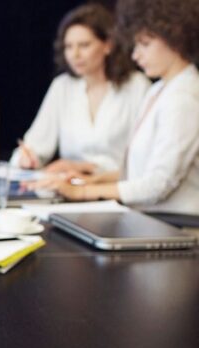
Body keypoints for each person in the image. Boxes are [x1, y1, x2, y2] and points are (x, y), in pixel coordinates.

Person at [41, 0, 199, 213]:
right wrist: (91, 181)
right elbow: (139, 174)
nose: (136, 55)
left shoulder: (184, 97)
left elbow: (158, 184)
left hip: (177, 225)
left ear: (175, 39)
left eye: (145, 44)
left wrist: (84, 192)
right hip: (151, 219)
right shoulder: (159, 89)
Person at [12, 3, 150, 175]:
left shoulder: (136, 86)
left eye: (84, 45)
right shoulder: (62, 86)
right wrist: (27, 159)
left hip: (118, 191)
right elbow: (34, 145)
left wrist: (85, 168)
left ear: (108, 45)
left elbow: (145, 162)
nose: (75, 55)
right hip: (69, 191)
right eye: (69, 47)